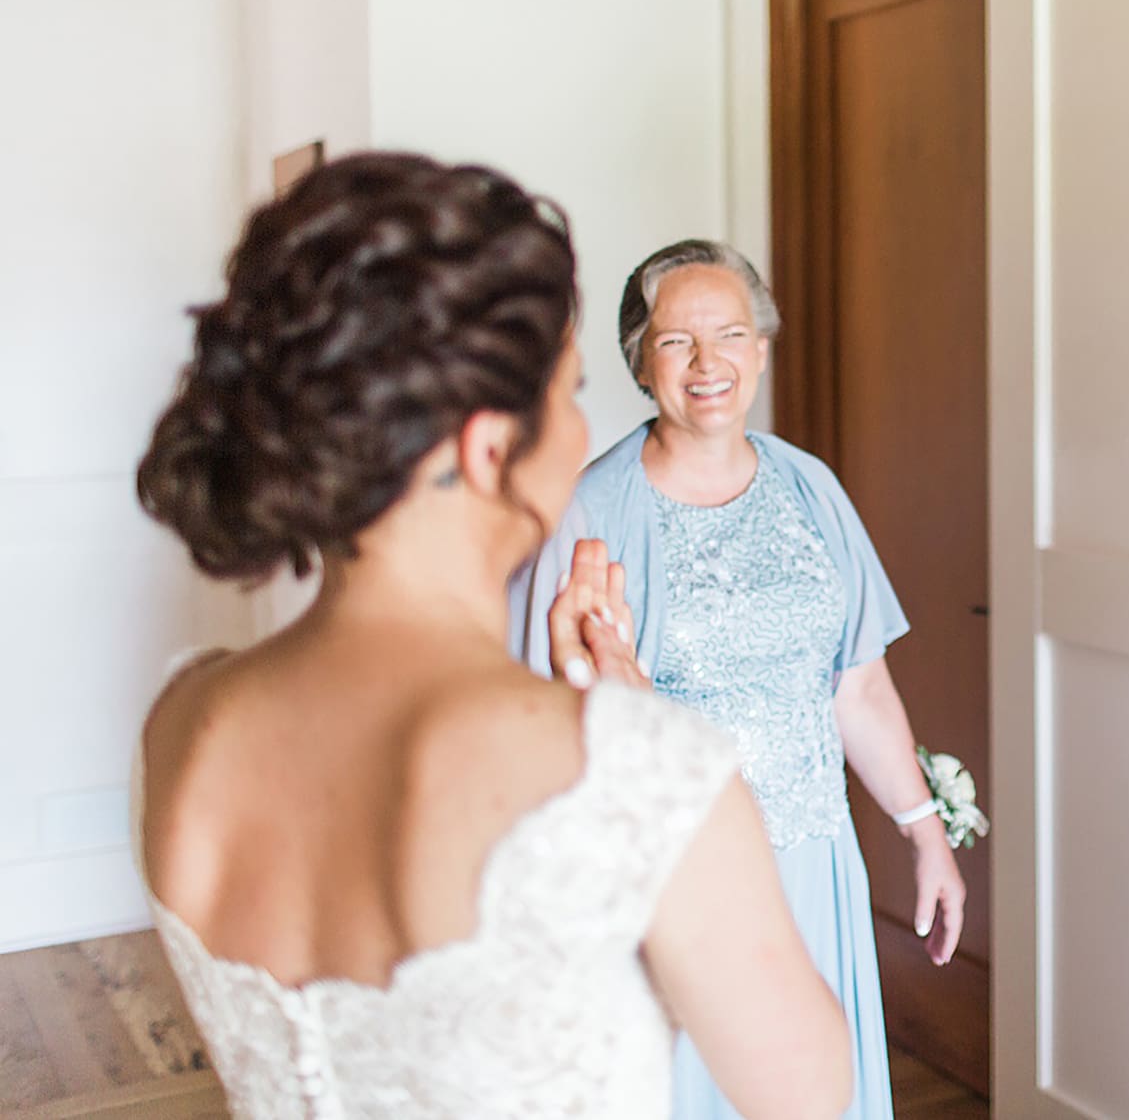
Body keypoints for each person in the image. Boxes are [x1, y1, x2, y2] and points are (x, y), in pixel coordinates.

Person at [131, 154, 851, 1119]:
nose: (586, 424)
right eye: (573, 388)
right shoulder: (638, 772)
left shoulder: (185, 719)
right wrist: (624, 714)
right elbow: (808, 1096)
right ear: (486, 447)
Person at [512, 239, 967, 1120]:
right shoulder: (593, 512)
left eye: (730, 334)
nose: (708, 363)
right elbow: (560, 732)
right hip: (681, 878)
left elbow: (858, 686)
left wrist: (924, 834)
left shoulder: (812, 489)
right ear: (641, 362)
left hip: (814, 861)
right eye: (678, 341)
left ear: (761, 347)